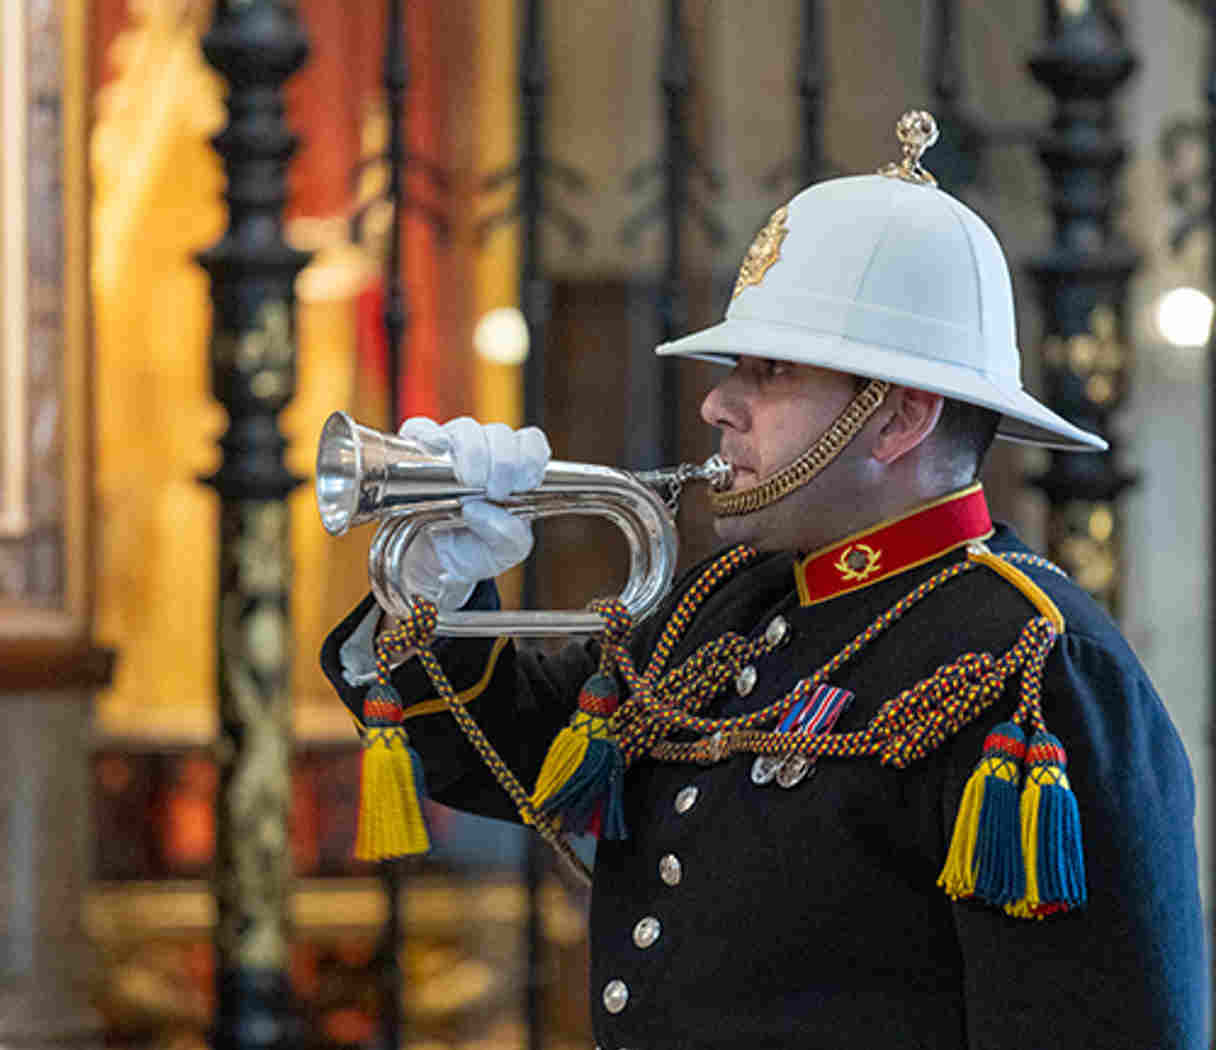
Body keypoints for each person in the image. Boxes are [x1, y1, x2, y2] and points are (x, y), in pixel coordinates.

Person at [319, 113, 1208, 1049]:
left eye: (770, 372)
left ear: (899, 416)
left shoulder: (1032, 663)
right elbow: (515, 759)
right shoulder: (726, 601)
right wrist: (436, 589)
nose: (717, 403)